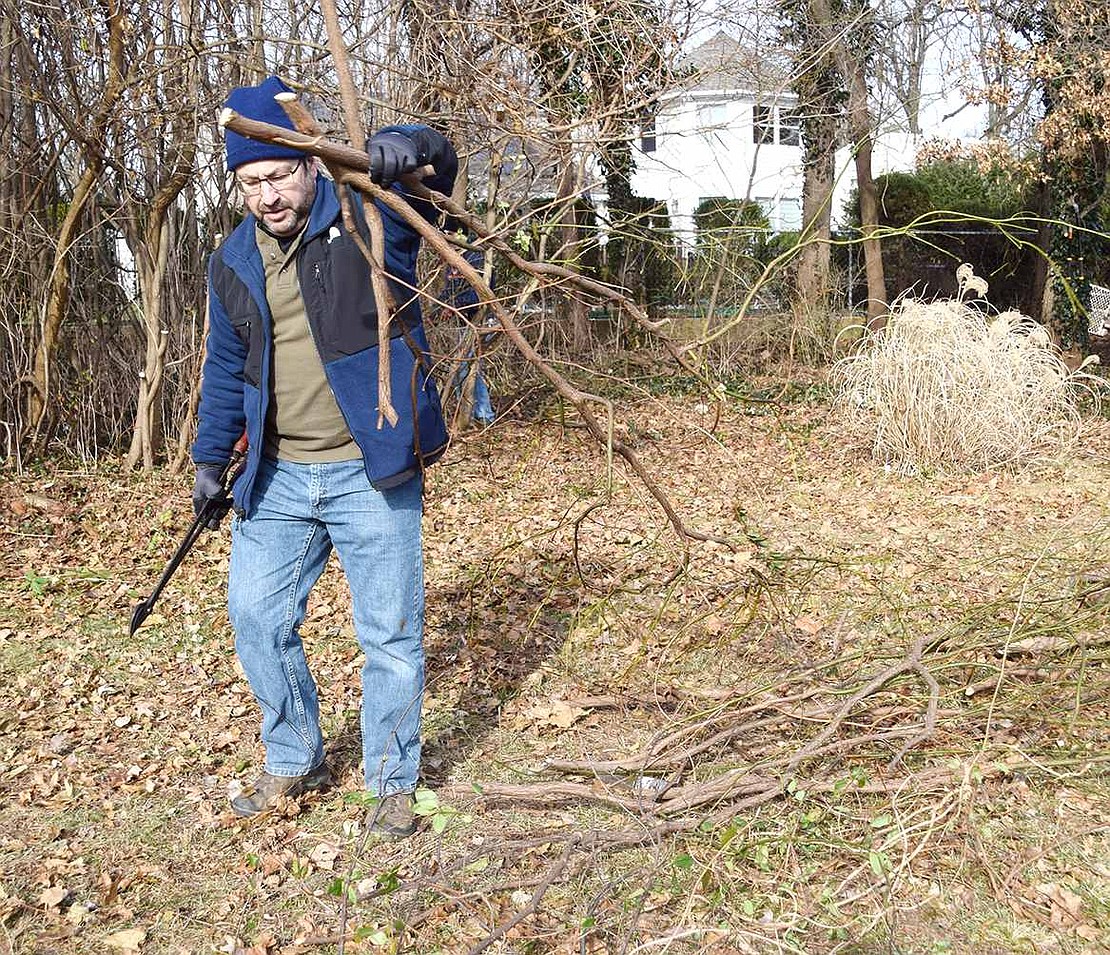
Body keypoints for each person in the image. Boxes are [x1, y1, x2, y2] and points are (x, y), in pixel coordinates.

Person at [191, 75, 458, 836]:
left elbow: (442, 164)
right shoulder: (234, 259)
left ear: (310, 165)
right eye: (250, 182)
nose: (268, 196)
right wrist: (212, 459)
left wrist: (411, 148)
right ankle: (294, 756)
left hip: (367, 469)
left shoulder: (372, 221)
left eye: (279, 175)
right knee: (255, 616)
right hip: (274, 476)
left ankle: (392, 779)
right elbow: (224, 364)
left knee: (390, 633)